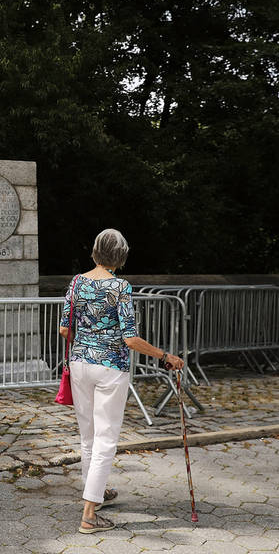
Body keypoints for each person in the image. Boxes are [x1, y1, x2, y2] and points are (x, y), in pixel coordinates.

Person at [59, 228, 184, 534]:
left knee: (88, 436)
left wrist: (87, 343)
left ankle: (96, 496)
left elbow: (65, 330)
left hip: (79, 365)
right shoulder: (120, 287)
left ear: (94, 252)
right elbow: (130, 338)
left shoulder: (76, 282)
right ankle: (89, 515)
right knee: (106, 439)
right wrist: (164, 355)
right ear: (121, 257)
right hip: (110, 368)